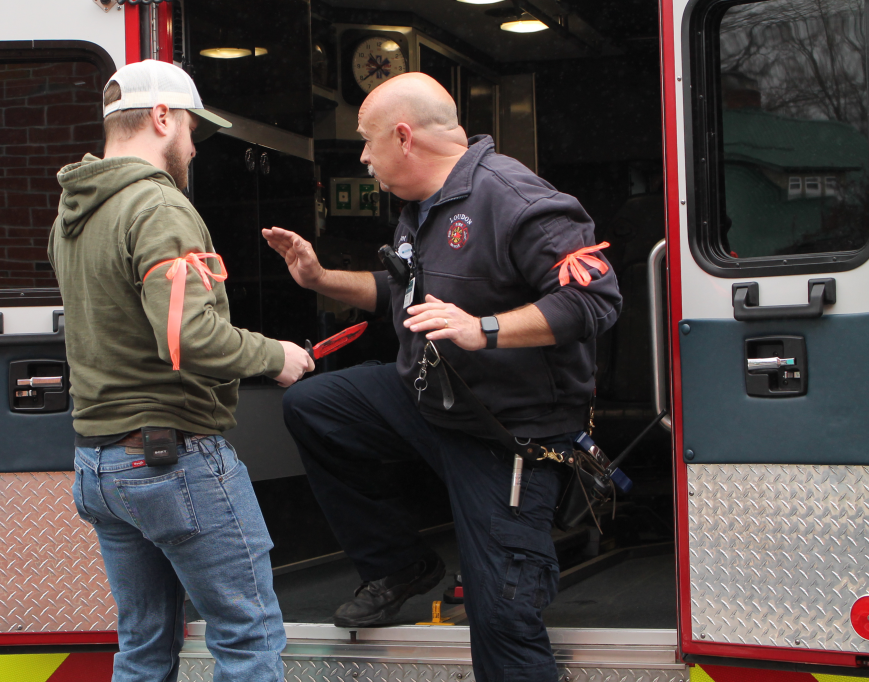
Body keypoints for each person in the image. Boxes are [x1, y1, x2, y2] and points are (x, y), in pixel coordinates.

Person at [264, 72, 622, 682]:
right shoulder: (421, 206)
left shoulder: (512, 196)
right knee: (315, 405)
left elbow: (596, 301)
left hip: (506, 435)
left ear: (403, 137)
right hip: (433, 403)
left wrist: (482, 328)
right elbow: (399, 292)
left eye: (366, 140)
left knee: (501, 615)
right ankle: (399, 565)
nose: (361, 155)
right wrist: (321, 278)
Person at [48, 59, 313, 682]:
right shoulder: (158, 208)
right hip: (171, 461)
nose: (194, 146)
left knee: (143, 648)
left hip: (100, 468)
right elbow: (189, 336)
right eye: (192, 127)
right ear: (162, 117)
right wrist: (278, 357)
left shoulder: (74, 216)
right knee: (247, 638)